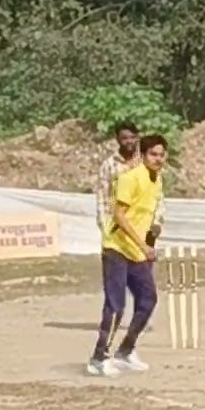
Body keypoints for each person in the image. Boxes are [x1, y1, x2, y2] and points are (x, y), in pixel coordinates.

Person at [87, 134, 169, 377]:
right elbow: (119, 215)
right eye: (153, 154)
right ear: (142, 155)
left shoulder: (157, 180)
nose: (158, 159)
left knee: (148, 300)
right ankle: (99, 357)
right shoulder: (129, 178)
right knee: (116, 305)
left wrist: (149, 240)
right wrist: (143, 246)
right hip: (117, 247)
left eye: (161, 154)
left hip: (137, 250)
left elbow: (148, 215)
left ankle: (125, 350)